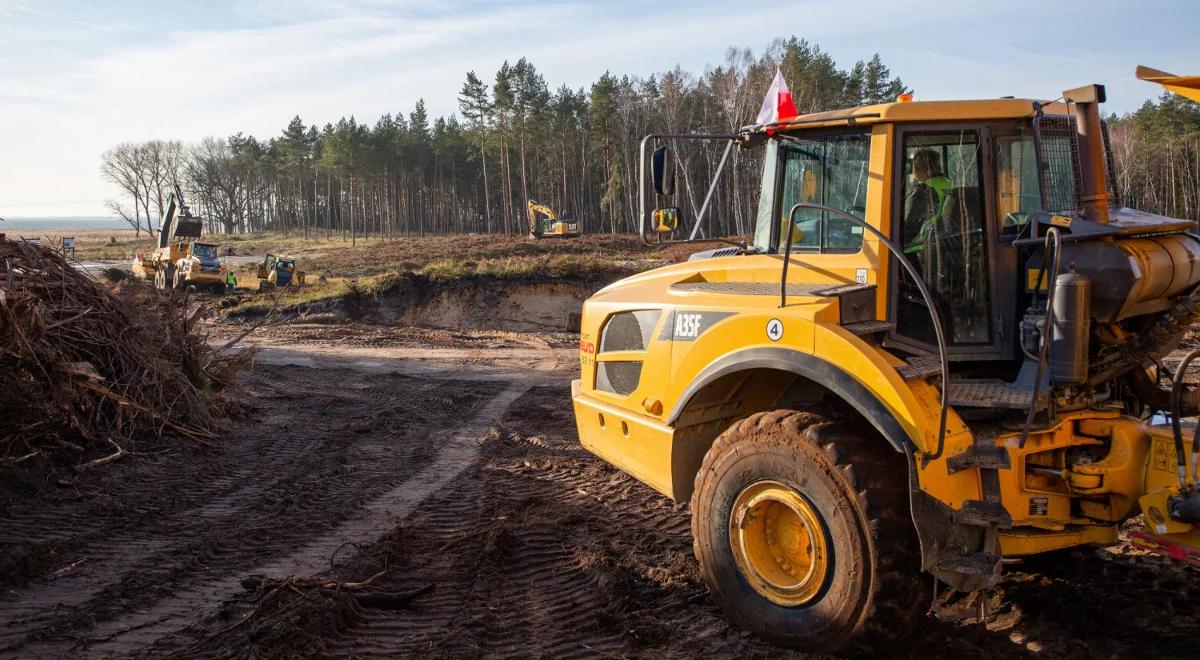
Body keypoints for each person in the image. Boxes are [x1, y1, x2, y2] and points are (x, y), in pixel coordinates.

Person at [902, 149, 954, 259]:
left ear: (920, 169)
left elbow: (908, 227)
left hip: (917, 251)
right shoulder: (950, 186)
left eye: (914, 168)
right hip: (945, 246)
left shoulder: (921, 191)